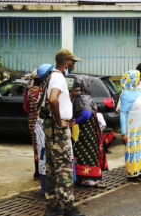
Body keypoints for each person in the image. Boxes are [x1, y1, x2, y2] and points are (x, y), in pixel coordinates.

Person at [42, 49, 84, 216]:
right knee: (64, 167)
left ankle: (52, 205)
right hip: (58, 128)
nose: (74, 65)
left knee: (52, 167)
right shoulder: (59, 77)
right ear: (65, 62)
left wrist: (70, 97)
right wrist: (60, 121)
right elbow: (53, 100)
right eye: (73, 62)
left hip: (50, 127)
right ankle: (68, 207)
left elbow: (57, 100)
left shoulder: (51, 76)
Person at [72, 75, 108, 188]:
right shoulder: (84, 97)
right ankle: (87, 179)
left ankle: (81, 177)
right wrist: (76, 121)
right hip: (86, 131)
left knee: (80, 152)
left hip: (83, 131)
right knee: (88, 152)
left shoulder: (77, 97)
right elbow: (86, 115)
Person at [32, 64, 55, 194]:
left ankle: (45, 188)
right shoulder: (49, 91)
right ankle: (49, 191)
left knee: (42, 156)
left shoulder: (34, 91)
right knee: (48, 157)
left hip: (38, 124)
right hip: (46, 126)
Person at [24, 69, 41, 180]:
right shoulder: (43, 90)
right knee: (44, 145)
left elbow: (26, 107)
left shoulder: (29, 90)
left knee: (36, 146)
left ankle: (37, 172)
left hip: (32, 121)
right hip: (42, 120)